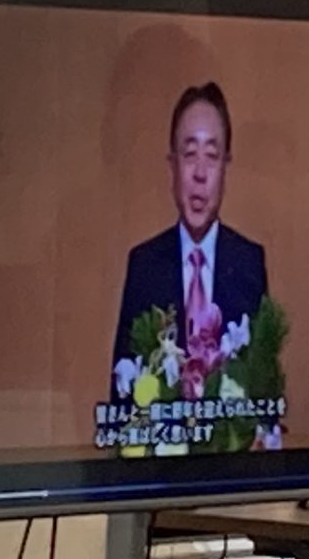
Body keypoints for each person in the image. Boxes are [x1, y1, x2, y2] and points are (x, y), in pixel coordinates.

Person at [111, 82, 267, 398]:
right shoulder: (144, 267)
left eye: (212, 156)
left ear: (225, 168)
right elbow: (122, 399)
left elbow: (263, 391)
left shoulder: (249, 264)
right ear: (173, 166)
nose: (200, 173)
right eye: (190, 154)